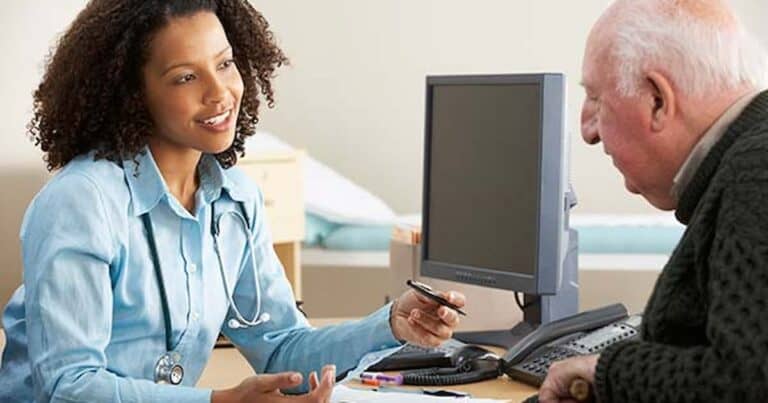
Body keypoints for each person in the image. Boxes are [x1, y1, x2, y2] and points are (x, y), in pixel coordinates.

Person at [0, 1, 466, 402]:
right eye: (185, 77)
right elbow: (68, 387)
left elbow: (281, 347)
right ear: (133, 95)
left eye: (224, 64)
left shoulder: (234, 199)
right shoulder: (81, 203)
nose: (220, 92)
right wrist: (218, 400)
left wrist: (392, 324)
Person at [538, 0, 768, 402]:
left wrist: (606, 371)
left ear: (658, 100)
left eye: (596, 98)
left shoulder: (757, 173)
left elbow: (745, 382)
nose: (587, 130)